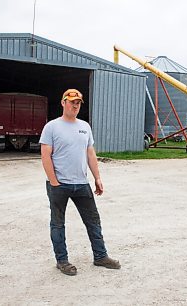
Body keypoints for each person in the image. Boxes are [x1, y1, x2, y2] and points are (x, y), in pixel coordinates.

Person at [39, 88, 120, 276]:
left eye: (78, 103)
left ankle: (100, 256)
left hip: (81, 184)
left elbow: (90, 153)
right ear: (63, 103)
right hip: (59, 184)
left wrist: (97, 177)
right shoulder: (52, 127)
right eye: (72, 101)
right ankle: (62, 261)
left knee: (93, 221)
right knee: (58, 224)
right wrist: (54, 182)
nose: (75, 105)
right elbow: (45, 155)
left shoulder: (84, 126)